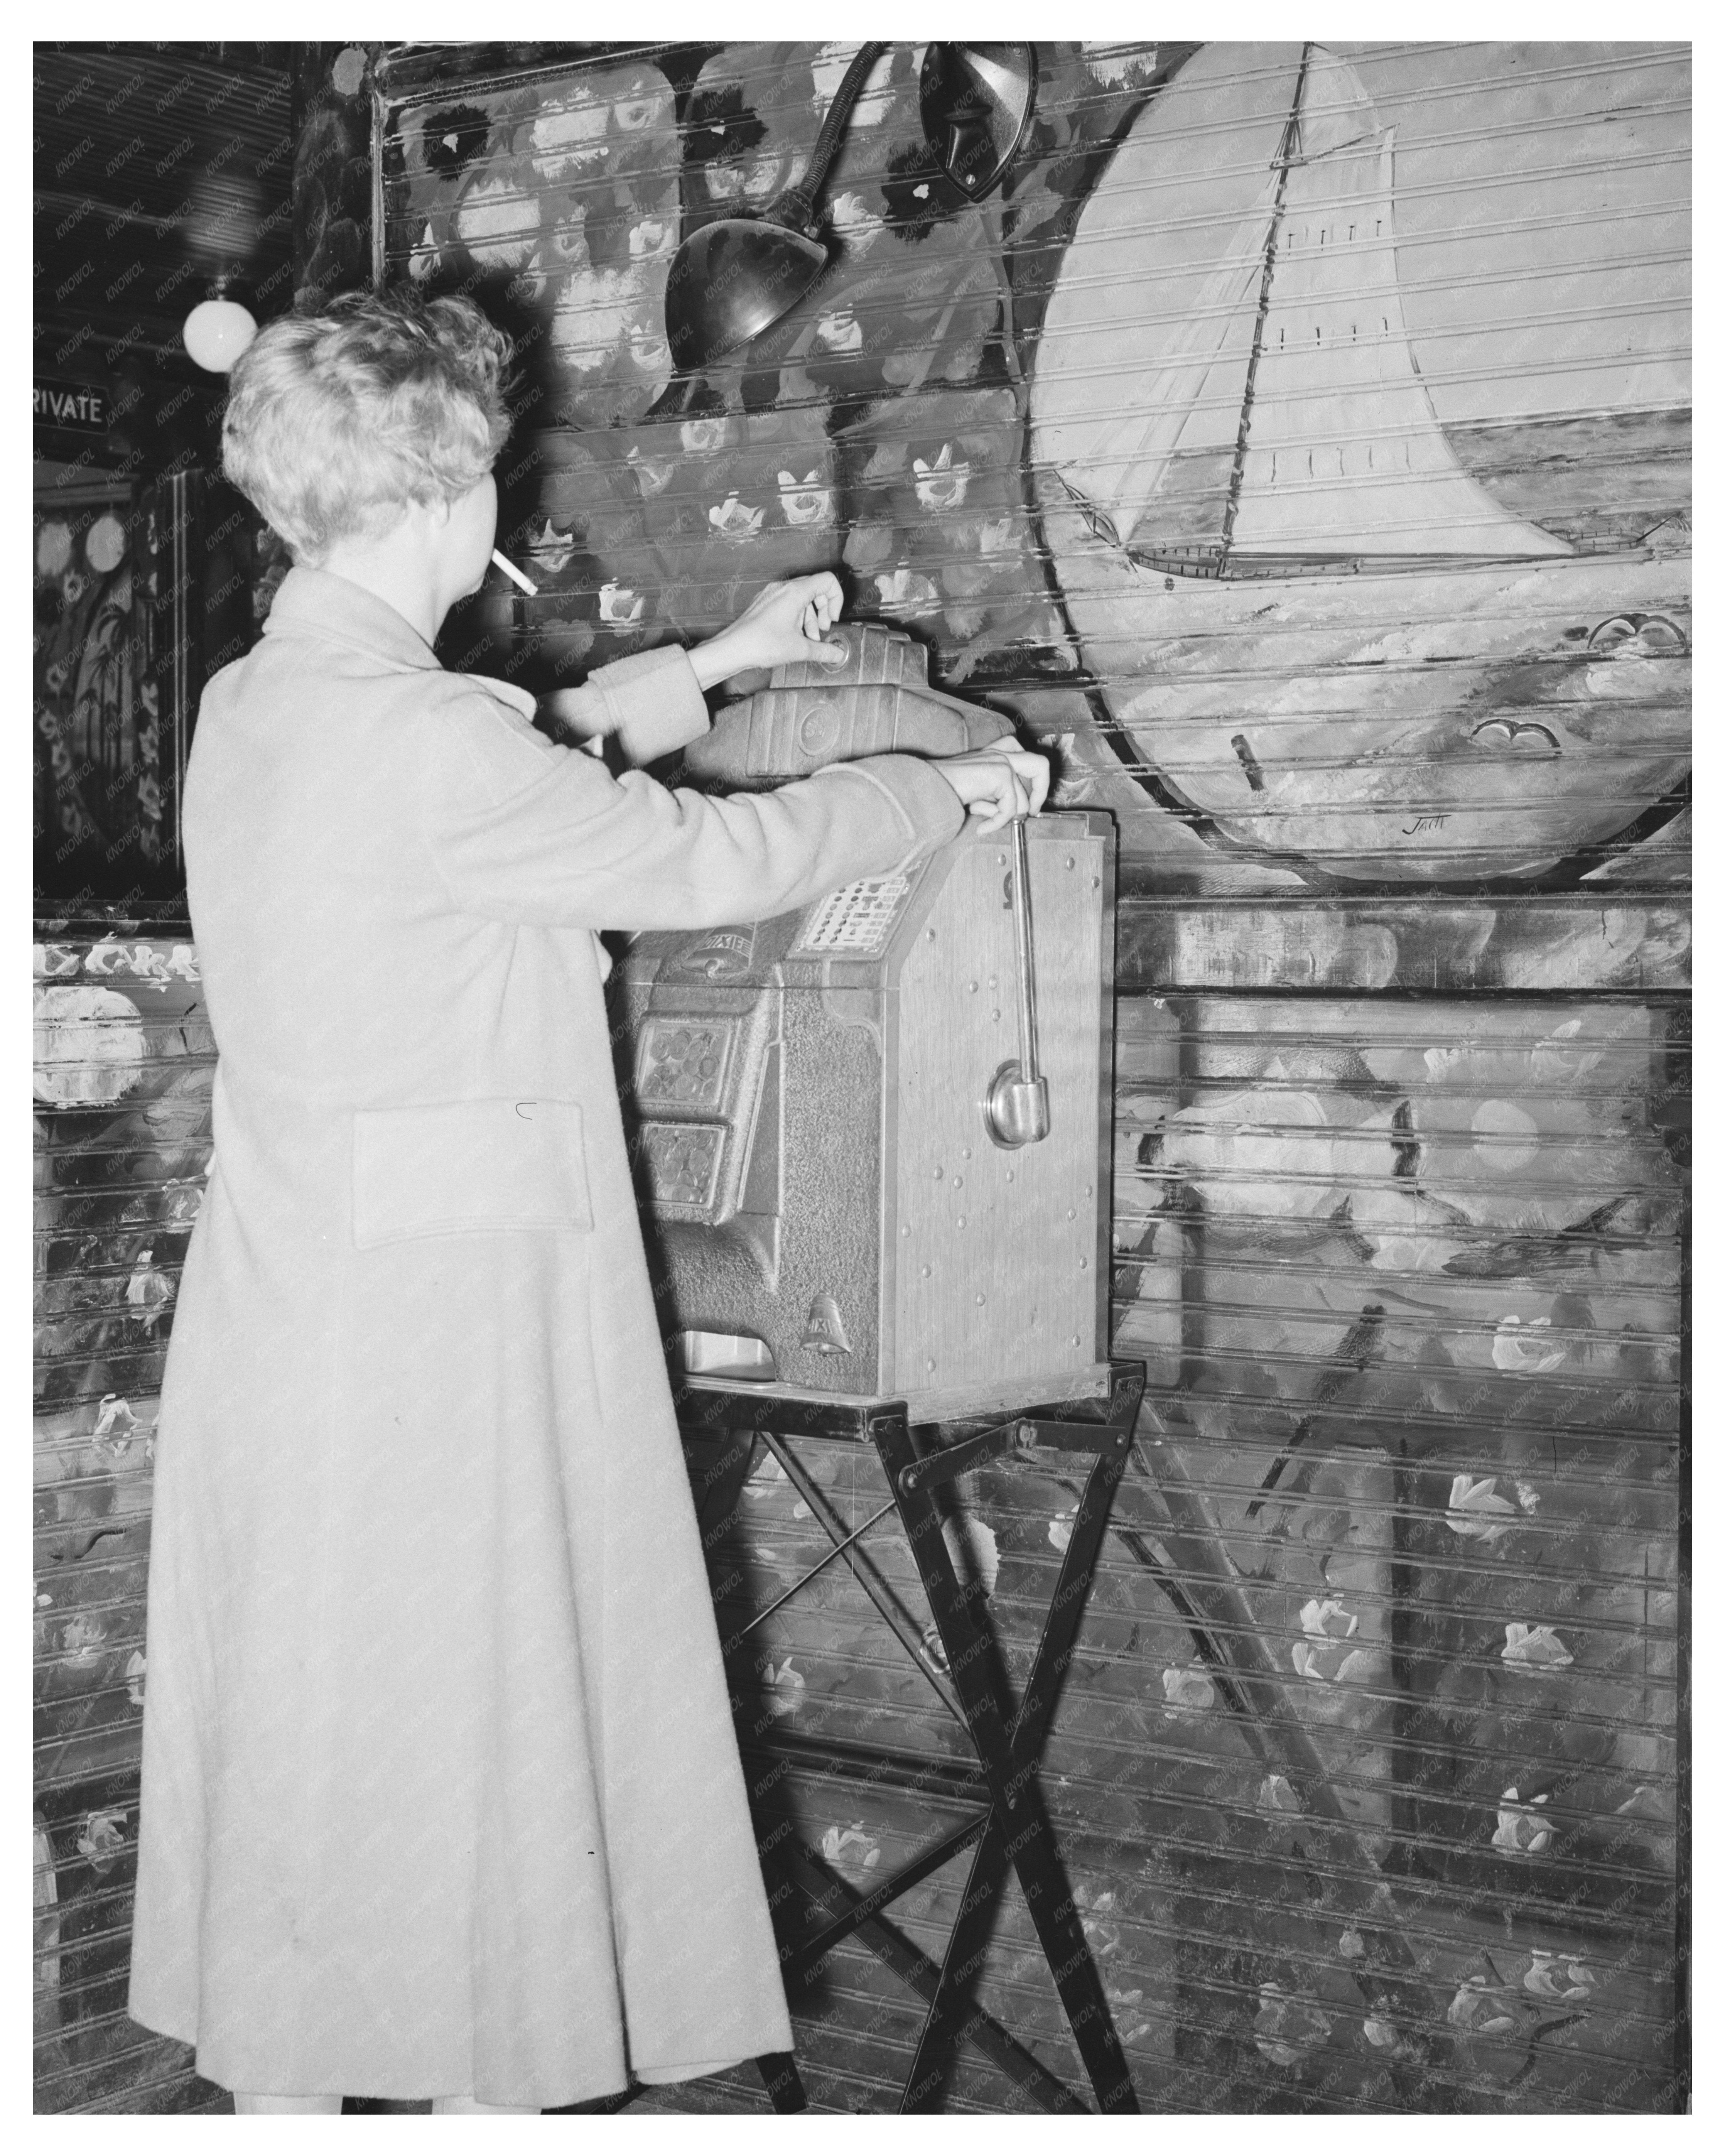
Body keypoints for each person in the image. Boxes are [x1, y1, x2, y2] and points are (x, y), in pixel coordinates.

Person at [127, 289, 1047, 2114]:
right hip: (444, 1321)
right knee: (486, 1726)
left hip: (298, 1297)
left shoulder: (265, 702)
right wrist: (938, 787)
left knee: (326, 1733)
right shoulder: (430, 747)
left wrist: (722, 656)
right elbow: (708, 856)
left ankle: (287, 2090)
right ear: (446, 492)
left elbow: (526, 751)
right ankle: (481, 2078)